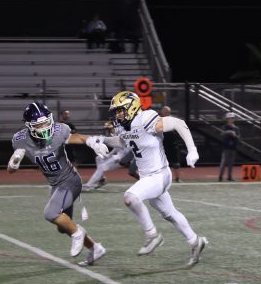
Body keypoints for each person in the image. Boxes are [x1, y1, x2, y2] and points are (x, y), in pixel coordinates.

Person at [88, 91, 207, 266]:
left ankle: (152, 235)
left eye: (120, 110)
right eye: (116, 111)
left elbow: (178, 123)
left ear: (132, 107)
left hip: (159, 174)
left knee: (130, 197)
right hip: (148, 177)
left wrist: (192, 149)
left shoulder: (145, 119)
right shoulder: (125, 127)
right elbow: (122, 141)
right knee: (170, 214)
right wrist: (101, 140)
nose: (117, 114)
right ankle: (196, 242)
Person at [7, 101, 110, 265]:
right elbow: (10, 170)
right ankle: (95, 248)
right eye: (39, 125)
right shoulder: (20, 140)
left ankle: (78, 234)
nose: (44, 127)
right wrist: (13, 163)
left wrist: (92, 142)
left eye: (46, 122)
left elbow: (76, 138)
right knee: (63, 226)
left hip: (70, 180)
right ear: (29, 126)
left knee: (51, 213)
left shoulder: (59, 130)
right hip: (55, 184)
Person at [160, 106, 182, 182]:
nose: (165, 112)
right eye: (164, 111)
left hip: (173, 144)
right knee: (163, 163)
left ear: (169, 112)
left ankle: (178, 178)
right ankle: (164, 179)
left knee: (176, 163)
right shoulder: (159, 120)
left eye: (166, 111)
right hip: (163, 145)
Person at [218, 112, 239, 182]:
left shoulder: (236, 128)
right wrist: (229, 132)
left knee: (231, 163)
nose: (231, 119)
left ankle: (229, 177)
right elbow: (221, 133)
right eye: (229, 118)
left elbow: (239, 137)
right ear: (227, 119)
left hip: (233, 147)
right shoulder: (225, 127)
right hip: (226, 147)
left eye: (232, 118)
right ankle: (220, 177)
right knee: (224, 162)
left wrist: (235, 136)